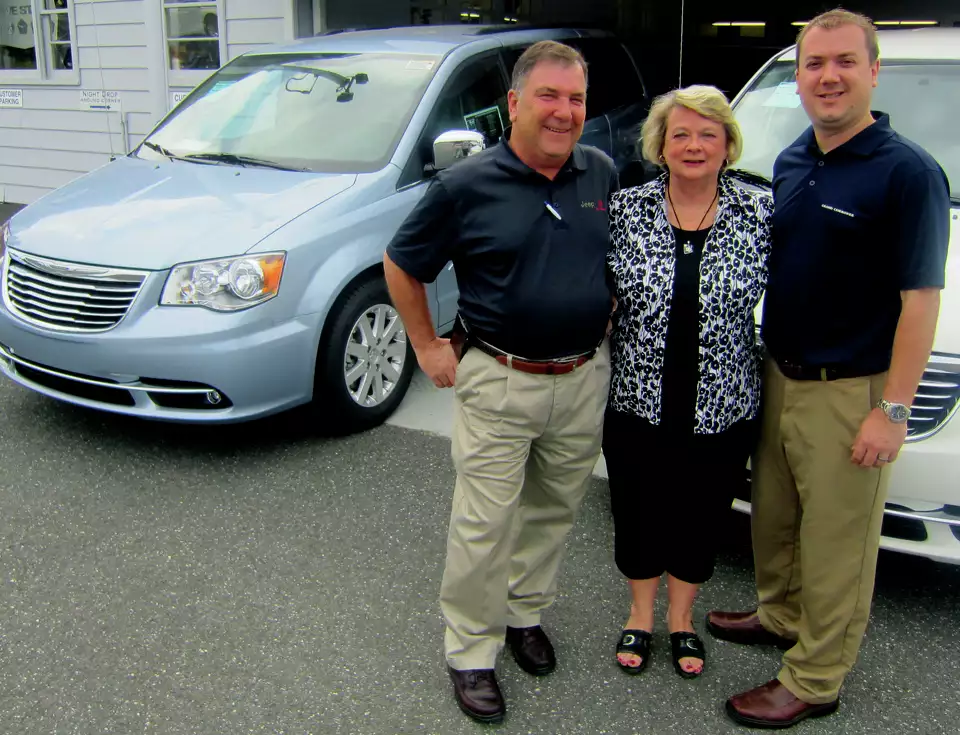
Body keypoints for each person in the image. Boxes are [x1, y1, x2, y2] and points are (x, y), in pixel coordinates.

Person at [708, 9, 951, 729]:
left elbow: (921, 302)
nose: (828, 76)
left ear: (874, 71)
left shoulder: (907, 173)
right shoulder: (792, 159)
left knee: (838, 541)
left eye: (845, 61)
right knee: (775, 521)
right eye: (814, 64)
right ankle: (782, 615)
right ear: (801, 77)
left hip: (851, 389)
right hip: (780, 375)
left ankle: (816, 676)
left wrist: (894, 409)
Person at [383, 40, 618, 724]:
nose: (563, 111)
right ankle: (471, 651)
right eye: (548, 96)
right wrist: (426, 343)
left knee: (552, 512)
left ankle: (524, 613)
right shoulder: (465, 186)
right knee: (484, 523)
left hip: (580, 378)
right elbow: (402, 262)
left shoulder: (600, 171)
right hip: (500, 378)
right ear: (514, 102)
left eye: (575, 98)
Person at [604, 86, 772, 680]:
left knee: (701, 514)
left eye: (708, 134)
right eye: (681, 133)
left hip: (723, 405)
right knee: (639, 511)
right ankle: (641, 614)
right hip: (636, 400)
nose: (694, 145)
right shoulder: (626, 210)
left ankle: (681, 619)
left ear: (728, 144)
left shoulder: (760, 212)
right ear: (661, 144)